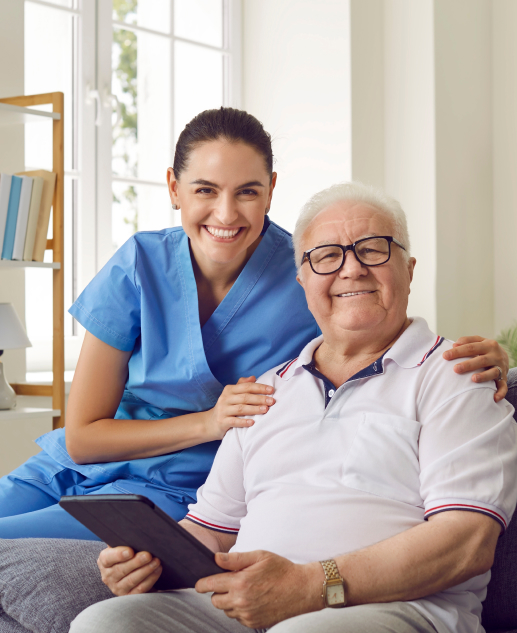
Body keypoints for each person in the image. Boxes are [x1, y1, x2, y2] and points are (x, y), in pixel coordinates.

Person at [0, 110, 508, 541]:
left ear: (271, 192)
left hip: (178, 491)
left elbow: (384, 329)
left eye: (247, 191)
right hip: (64, 469)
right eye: (205, 189)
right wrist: (209, 422)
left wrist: (491, 356)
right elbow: (84, 437)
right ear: (174, 189)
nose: (226, 212)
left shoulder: (310, 273)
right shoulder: (139, 264)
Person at [70, 182, 517, 633]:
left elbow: (465, 542)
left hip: (397, 610)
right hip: (244, 605)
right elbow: (212, 530)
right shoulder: (267, 390)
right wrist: (145, 559)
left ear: (409, 268)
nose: (352, 269)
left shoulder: (459, 377)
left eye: (374, 249)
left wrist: (309, 585)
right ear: (302, 280)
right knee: (105, 623)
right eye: (326, 256)